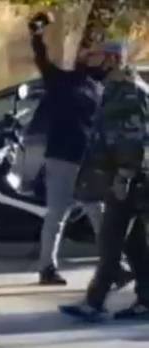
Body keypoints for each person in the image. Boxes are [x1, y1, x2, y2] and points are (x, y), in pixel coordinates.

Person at [60, 41, 149, 322]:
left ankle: (94, 302)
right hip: (124, 177)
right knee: (134, 246)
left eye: (95, 55)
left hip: (130, 179)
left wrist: (124, 176)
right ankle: (146, 300)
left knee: (111, 241)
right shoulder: (115, 89)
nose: (90, 59)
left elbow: (135, 139)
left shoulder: (129, 92)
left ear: (111, 59)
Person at [29, 12, 106, 286]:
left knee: (99, 211)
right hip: (62, 157)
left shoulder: (100, 87)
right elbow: (41, 58)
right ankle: (46, 268)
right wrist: (37, 33)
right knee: (57, 214)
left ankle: (111, 263)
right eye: (89, 51)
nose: (93, 56)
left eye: (97, 53)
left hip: (88, 159)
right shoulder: (61, 80)